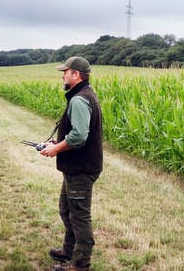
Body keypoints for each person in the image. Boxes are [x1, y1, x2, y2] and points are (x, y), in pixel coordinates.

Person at [39, 56, 103, 271]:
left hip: (81, 169)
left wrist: (55, 149)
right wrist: (58, 142)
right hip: (76, 166)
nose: (63, 75)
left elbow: (78, 136)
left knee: (79, 217)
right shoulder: (84, 95)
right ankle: (68, 251)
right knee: (66, 211)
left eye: (65, 72)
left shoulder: (79, 99)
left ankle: (80, 264)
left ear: (76, 74)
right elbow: (76, 133)